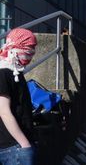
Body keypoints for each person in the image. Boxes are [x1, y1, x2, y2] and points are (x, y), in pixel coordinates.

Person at [0, 28, 37, 165]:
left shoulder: (15, 71)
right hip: (12, 147)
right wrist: (24, 144)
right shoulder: (3, 73)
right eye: (28, 49)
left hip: (17, 145)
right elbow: (4, 111)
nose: (31, 54)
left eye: (33, 49)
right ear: (13, 48)